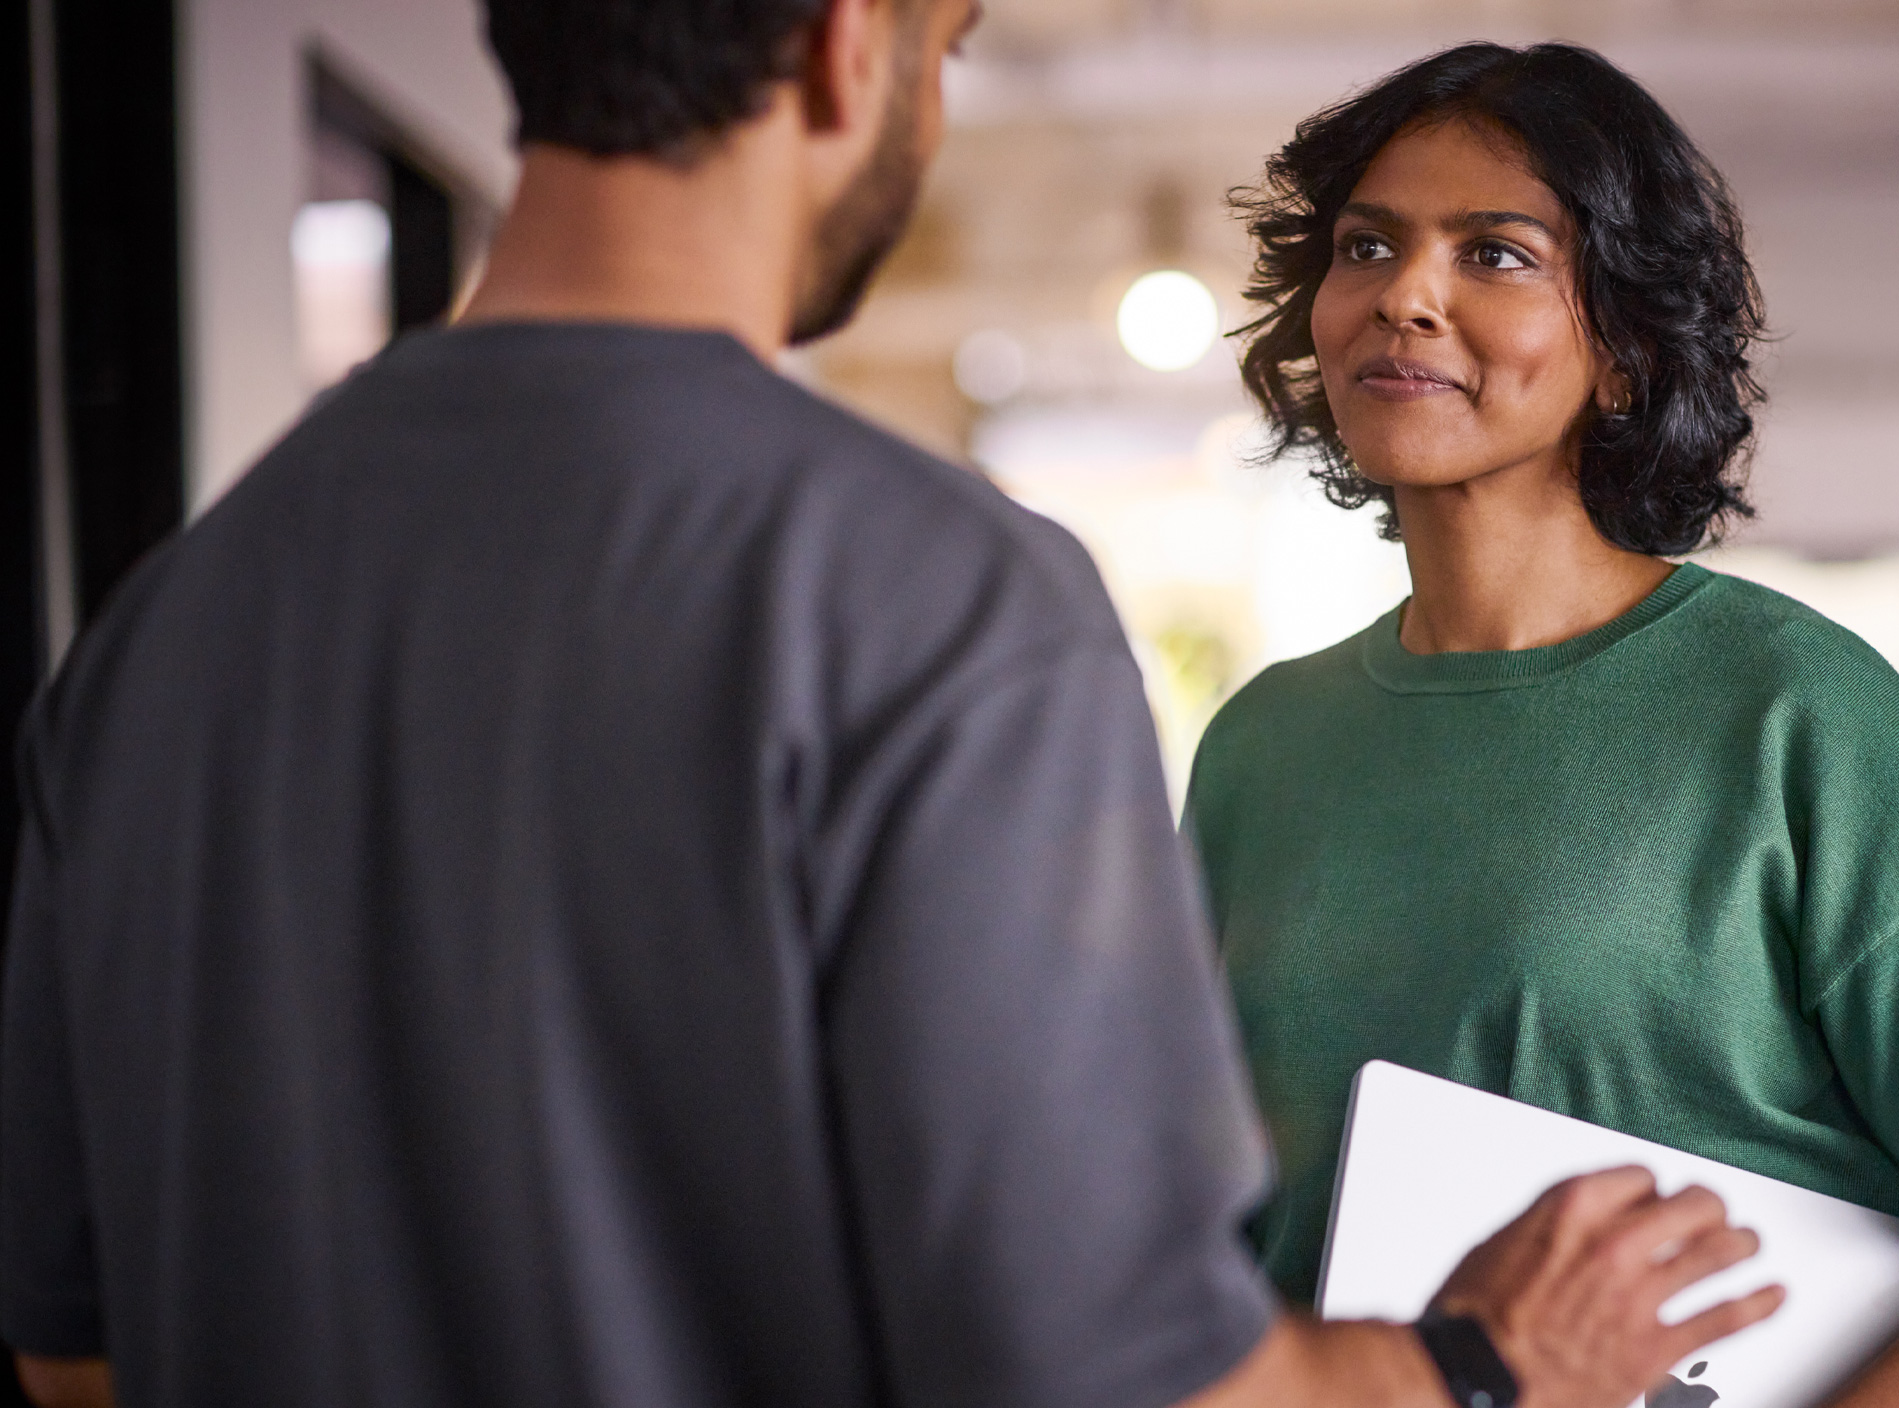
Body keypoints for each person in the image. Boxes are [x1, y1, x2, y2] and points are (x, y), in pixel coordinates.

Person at [0, 6, 1783, 1408]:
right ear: (849, 46)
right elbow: (1120, 1381)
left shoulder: (159, 637)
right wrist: (1482, 1362)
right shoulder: (937, 604)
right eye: (948, 50)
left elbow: (78, 1358)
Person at [1185, 41, 1899, 1408]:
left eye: (1497, 255)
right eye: (1368, 246)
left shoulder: (1796, 711)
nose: (1406, 297)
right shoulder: (1259, 749)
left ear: (1624, 354)